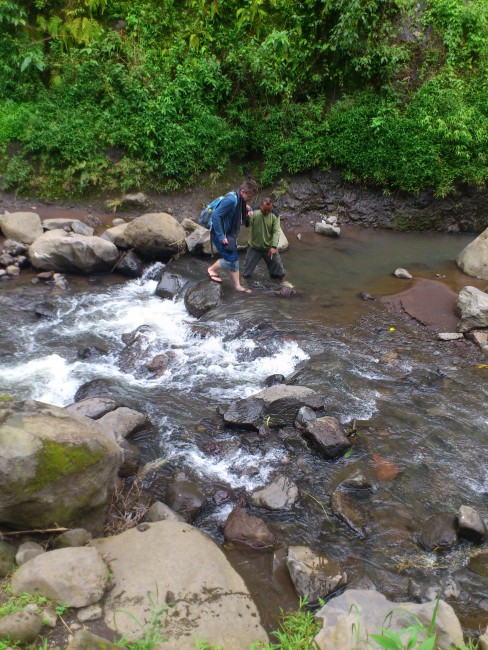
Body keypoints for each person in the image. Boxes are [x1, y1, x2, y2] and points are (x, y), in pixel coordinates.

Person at [207, 179, 258, 293]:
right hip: (220, 234)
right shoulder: (231, 199)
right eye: (249, 196)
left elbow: (238, 215)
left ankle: (237, 286)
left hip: (230, 234)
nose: (250, 199)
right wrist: (221, 236)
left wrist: (247, 212)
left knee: (234, 259)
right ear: (243, 192)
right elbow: (216, 216)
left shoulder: (240, 200)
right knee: (231, 259)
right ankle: (211, 270)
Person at [242, 197, 293, 288]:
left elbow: (276, 231)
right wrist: (247, 216)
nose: (267, 212)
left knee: (278, 266)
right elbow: (247, 224)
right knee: (246, 271)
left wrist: (274, 246)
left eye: (269, 210)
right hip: (254, 247)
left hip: (269, 247)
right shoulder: (254, 211)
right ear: (261, 205)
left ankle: (283, 283)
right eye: (265, 210)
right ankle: (246, 286)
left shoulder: (275, 214)